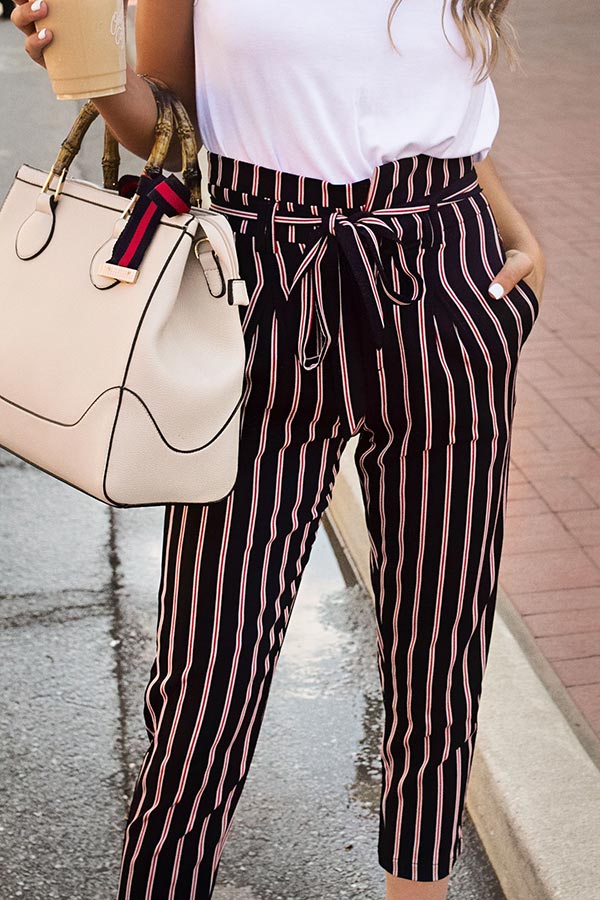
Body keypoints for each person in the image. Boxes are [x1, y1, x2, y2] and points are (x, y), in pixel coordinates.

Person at [11, 1, 546, 898]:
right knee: (206, 663)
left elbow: (445, 98)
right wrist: (94, 74)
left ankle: (419, 890)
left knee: (442, 635)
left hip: (451, 278)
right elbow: (169, 117)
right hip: (261, 284)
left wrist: (511, 222)